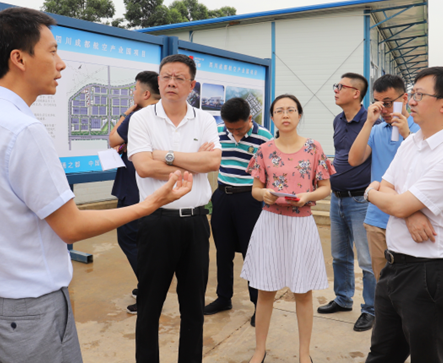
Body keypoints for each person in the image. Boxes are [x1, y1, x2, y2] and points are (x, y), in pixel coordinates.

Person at [0, 8, 192, 363]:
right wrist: (151, 203)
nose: (61, 64)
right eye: (52, 51)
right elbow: (70, 226)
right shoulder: (23, 131)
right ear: (19, 59)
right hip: (33, 313)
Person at [364, 66, 443, 363]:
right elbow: (388, 186)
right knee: (381, 355)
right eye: (412, 93)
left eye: (419, 94)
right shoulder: (412, 141)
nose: (410, 100)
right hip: (394, 265)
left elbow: (390, 198)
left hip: (429, 274)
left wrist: (372, 193)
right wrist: (407, 211)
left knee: (428, 358)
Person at [128, 54, 222, 363]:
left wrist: (165, 155)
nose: (171, 82)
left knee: (193, 307)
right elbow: (142, 167)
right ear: (158, 81)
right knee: (149, 305)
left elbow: (212, 162)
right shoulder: (141, 119)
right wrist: (189, 162)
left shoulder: (205, 119)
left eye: (179, 78)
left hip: (195, 224)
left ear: (191, 85)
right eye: (166, 76)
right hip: (155, 221)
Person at [241, 94, 334, 363]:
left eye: (291, 110)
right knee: (264, 290)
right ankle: (260, 350)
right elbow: (255, 189)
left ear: (299, 115)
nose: (285, 115)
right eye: (279, 110)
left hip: (302, 223)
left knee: (303, 293)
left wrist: (309, 196)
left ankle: (304, 353)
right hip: (271, 222)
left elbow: (326, 187)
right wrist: (265, 194)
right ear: (272, 118)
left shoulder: (314, 147)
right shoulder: (265, 149)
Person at [204, 97, 273, 326]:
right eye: (230, 128)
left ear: (250, 119)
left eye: (239, 128)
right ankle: (224, 298)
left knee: (251, 254)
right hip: (223, 196)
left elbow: (272, 171)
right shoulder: (217, 134)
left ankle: (257, 306)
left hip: (249, 199)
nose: (235, 132)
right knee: (222, 252)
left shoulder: (264, 137)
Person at [317, 73, 376, 332]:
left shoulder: (372, 121)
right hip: (337, 198)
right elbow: (341, 156)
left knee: (366, 259)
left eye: (341, 86)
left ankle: (371, 309)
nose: (336, 90)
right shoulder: (338, 120)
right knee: (340, 255)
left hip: (361, 199)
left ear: (356, 93)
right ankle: (343, 299)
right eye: (336, 86)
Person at [348, 74, 420, 281]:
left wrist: (407, 134)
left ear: (404, 98)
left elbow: (425, 163)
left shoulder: (419, 128)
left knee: (408, 282)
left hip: (409, 216)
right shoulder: (377, 129)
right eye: (379, 104)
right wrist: (369, 123)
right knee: (382, 280)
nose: (385, 110)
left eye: (388, 103)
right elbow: (354, 159)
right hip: (377, 217)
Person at [108, 70, 161, 314]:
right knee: (148, 242)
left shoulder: (138, 116)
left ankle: (150, 291)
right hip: (155, 190)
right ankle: (148, 285)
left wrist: (128, 111)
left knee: (129, 239)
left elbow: (112, 139)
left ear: (146, 93)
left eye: (136, 89)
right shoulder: (166, 114)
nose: (133, 93)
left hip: (133, 188)